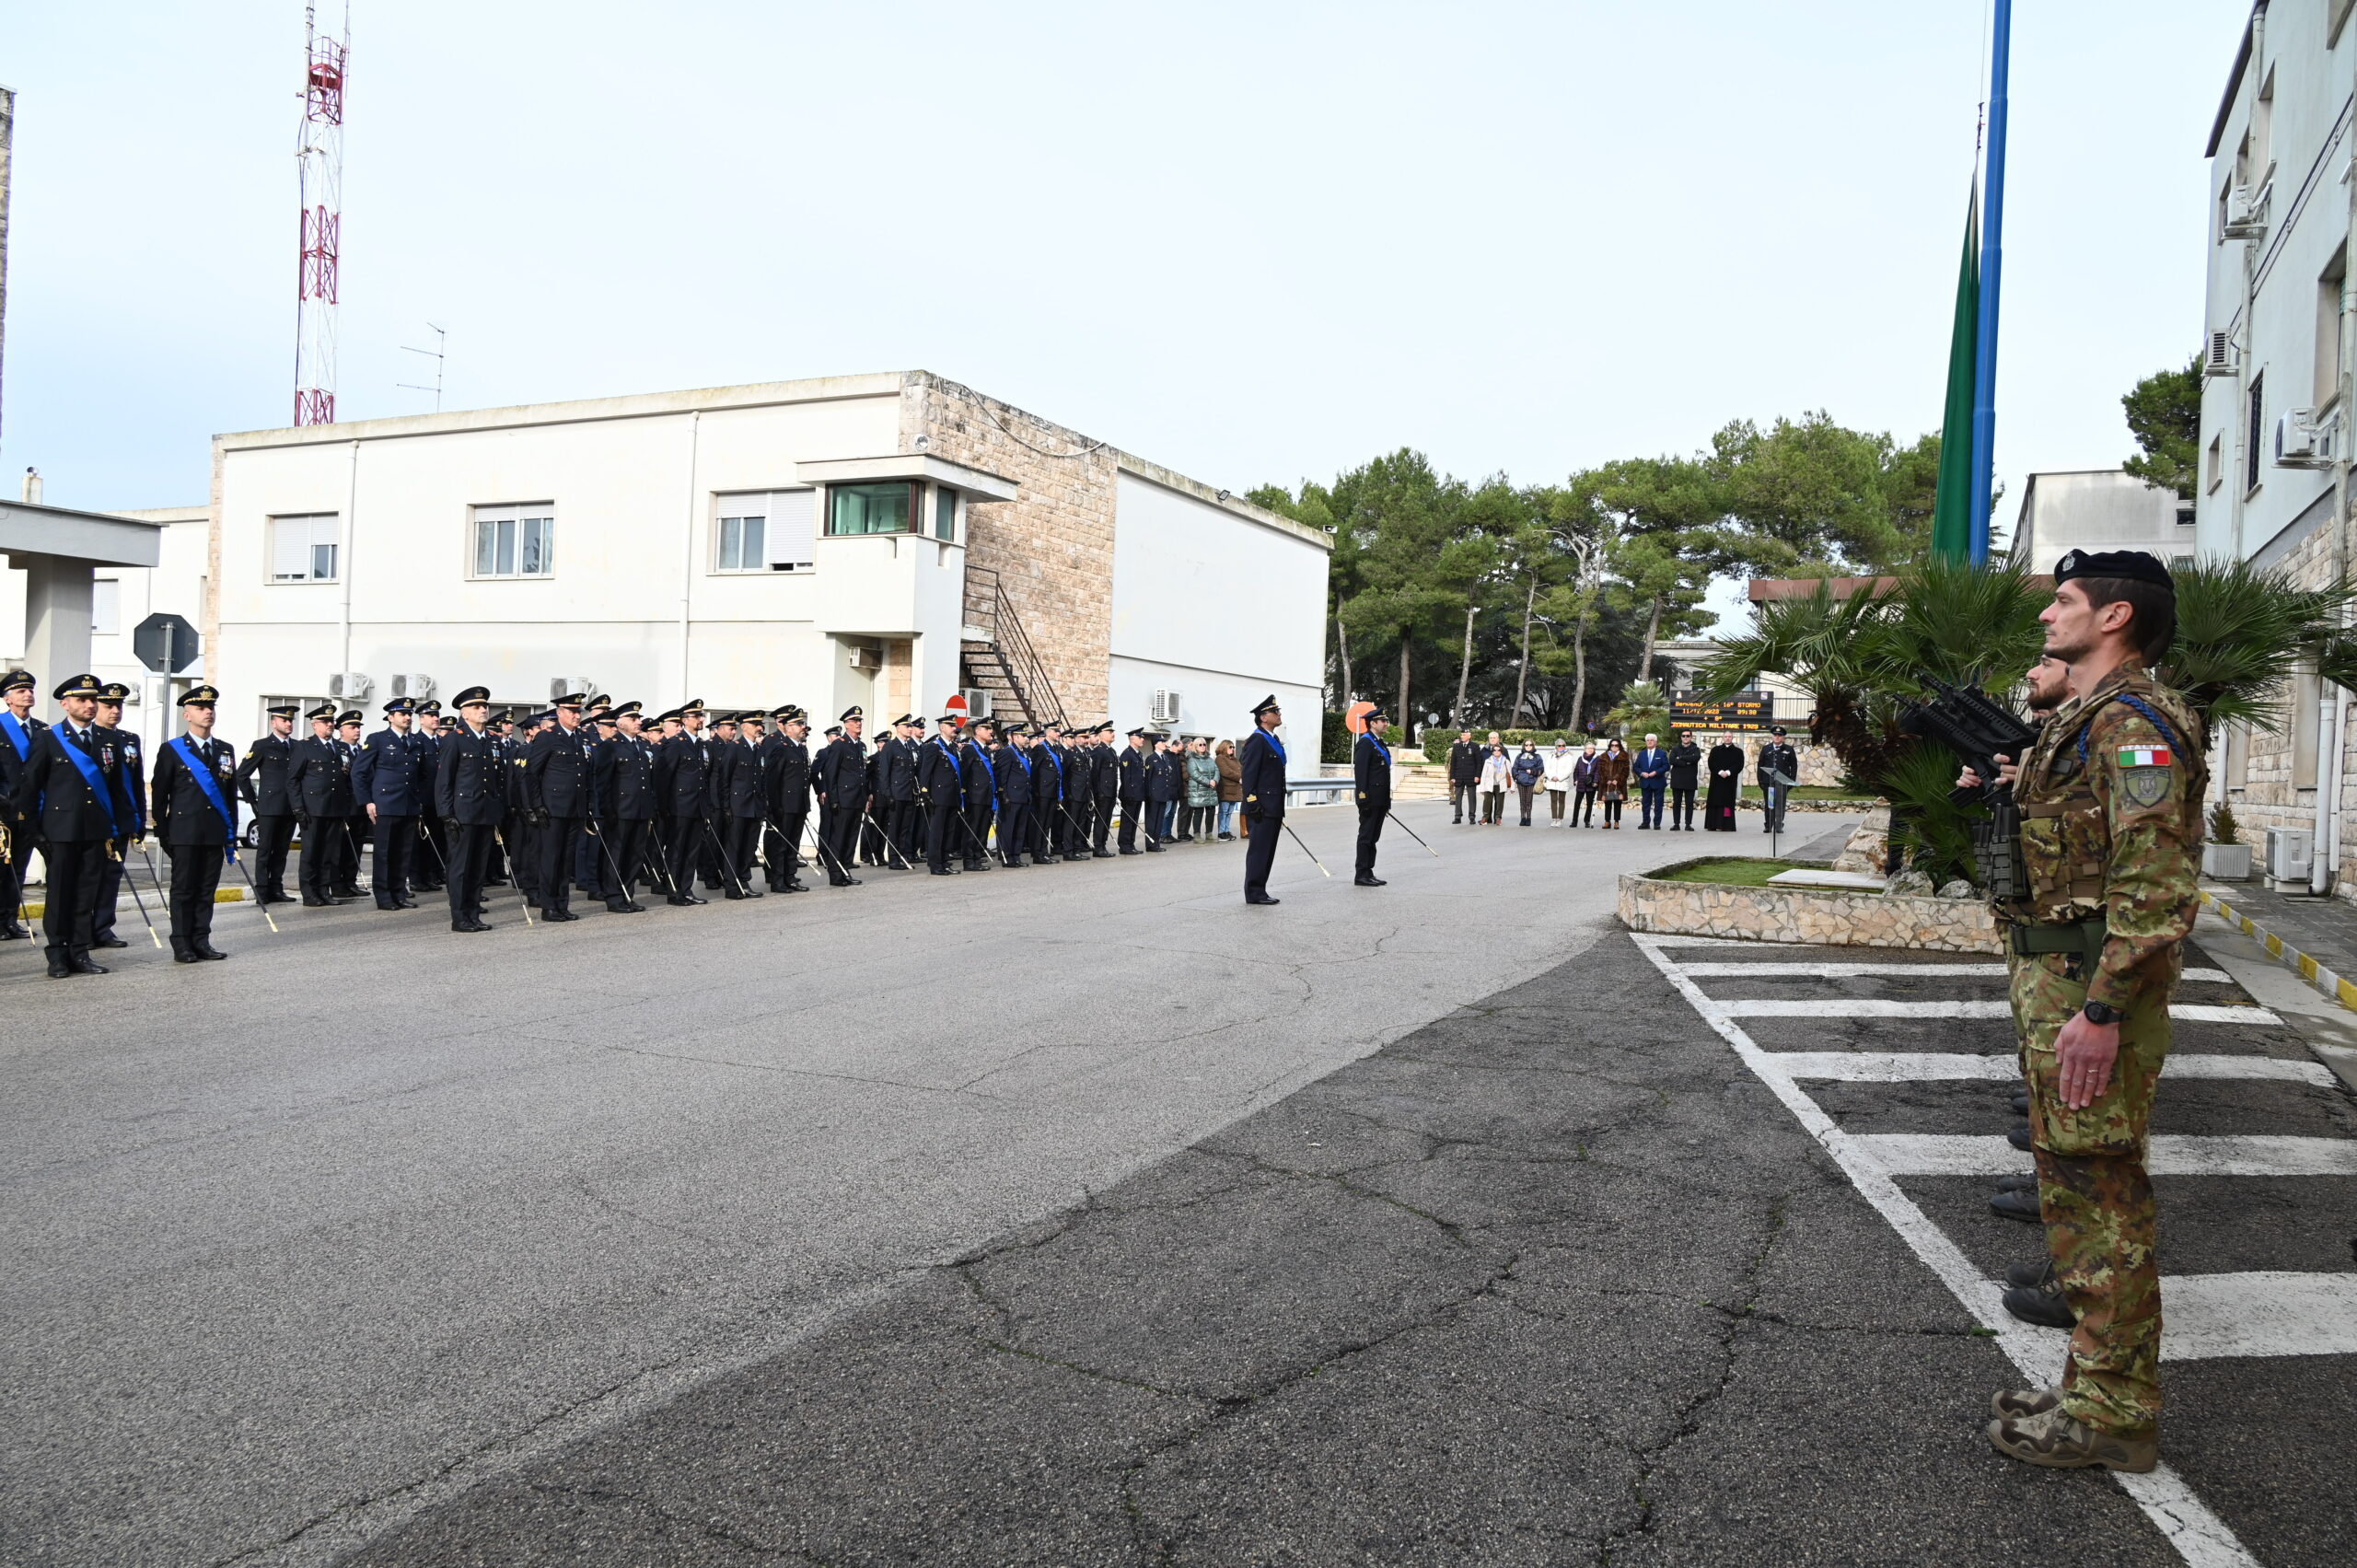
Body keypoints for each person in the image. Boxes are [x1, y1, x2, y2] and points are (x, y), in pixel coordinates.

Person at [1972, 549, 2202, 1476]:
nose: (2045, 617)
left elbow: (2155, 887)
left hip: (2087, 994)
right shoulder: (2089, 718)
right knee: (2076, 1195)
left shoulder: (2135, 723)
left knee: (2102, 1206)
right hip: (2061, 986)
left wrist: (2100, 1010)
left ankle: (2114, 1410)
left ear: (2112, 618)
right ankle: (2092, 1388)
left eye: (2061, 601)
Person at [11, 673, 134, 976]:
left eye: (94, 699)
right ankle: (57, 955)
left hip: (96, 831)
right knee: (60, 894)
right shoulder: (48, 738)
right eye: (83, 700)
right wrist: (35, 832)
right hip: (61, 832)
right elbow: (30, 788)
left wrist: (122, 826)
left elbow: (118, 789)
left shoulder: (110, 739)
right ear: (66, 704)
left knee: (85, 893)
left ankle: (80, 953)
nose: (91, 705)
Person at [149, 684, 238, 961]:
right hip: (184, 833)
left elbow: (229, 794)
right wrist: (163, 834)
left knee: (206, 890)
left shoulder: (225, 749)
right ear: (187, 715)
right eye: (201, 708)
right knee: (184, 890)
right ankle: (182, 943)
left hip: (214, 832)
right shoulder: (173, 750)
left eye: (211, 708)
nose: (208, 712)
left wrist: (231, 832)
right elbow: (160, 794)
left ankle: (202, 940)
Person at [434, 687, 505, 932]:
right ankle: (460, 917)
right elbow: (444, 780)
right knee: (460, 868)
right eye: (476, 707)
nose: (483, 710)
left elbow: (495, 780)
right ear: (464, 713)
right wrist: (446, 813)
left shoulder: (490, 740)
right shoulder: (455, 739)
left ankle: (474, 914)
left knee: (478, 868)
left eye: (484, 706)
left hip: (485, 813)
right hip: (462, 813)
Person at [353, 698, 428, 910]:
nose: (407, 717)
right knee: (384, 853)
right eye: (402, 714)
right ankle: (383, 895)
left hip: (409, 805)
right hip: (385, 804)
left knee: (403, 852)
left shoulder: (416, 742)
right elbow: (359, 772)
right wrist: (367, 801)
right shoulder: (377, 739)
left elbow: (421, 775)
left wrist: (418, 799)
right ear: (390, 717)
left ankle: (398, 892)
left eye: (409, 714)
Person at [525, 693, 594, 920]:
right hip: (553, 808)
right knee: (551, 858)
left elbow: (585, 776)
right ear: (559, 713)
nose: (577, 716)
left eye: (578, 712)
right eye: (572, 712)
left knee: (566, 860)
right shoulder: (547, 737)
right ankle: (549, 906)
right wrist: (537, 806)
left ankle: (562, 904)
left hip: (574, 809)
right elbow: (532, 774)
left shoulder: (580, 739)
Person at [87, 681, 143, 950]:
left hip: (121, 818)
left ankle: (103, 927)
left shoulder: (130, 739)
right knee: (90, 876)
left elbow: (136, 780)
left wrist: (140, 819)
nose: (115, 711)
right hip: (95, 819)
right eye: (109, 705)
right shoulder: (89, 737)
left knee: (112, 876)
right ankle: (83, 929)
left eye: (119, 706)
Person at [287, 703, 354, 905]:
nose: (330, 725)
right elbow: (293, 780)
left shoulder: (341, 747)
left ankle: (324, 890)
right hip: (312, 809)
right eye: (325, 722)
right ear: (314, 725)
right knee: (311, 853)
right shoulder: (304, 746)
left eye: (332, 721)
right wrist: (298, 808)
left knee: (329, 853)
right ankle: (309, 893)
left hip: (335, 809)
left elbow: (346, 778)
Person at [235, 703, 301, 902]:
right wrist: (252, 800)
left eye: (291, 720)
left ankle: (277, 888)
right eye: (284, 720)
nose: (289, 723)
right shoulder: (262, 745)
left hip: (290, 806)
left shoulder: (297, 747)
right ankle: (262, 890)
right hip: (269, 806)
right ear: (274, 723)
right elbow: (242, 774)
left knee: (281, 850)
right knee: (265, 850)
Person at [654, 699, 717, 901]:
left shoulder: (699, 744)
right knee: (677, 849)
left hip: (697, 806)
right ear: (684, 720)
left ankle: (686, 890)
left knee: (691, 850)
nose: (701, 719)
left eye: (702, 716)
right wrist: (665, 808)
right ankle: (674, 891)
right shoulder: (675, 744)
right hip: (679, 807)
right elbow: (663, 778)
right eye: (697, 716)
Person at [0, 668, 47, 940]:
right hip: (4, 811)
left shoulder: (41, 730)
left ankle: (10, 918)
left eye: (30, 690)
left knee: (19, 867)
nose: (27, 695)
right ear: (7, 698)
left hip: (30, 812)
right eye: (21, 691)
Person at [1238, 695, 1288, 904]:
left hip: (1273, 805)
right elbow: (1249, 775)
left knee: (1268, 851)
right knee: (1259, 851)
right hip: (1261, 807)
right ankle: (1254, 891)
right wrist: (1252, 802)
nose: (1279, 715)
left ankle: (1261, 889)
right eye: (1275, 712)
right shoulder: (1257, 740)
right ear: (1264, 717)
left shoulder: (1273, 739)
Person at [812, 706, 869, 886]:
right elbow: (830, 774)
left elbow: (862, 773)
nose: (858, 724)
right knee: (839, 838)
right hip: (843, 800)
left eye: (860, 721)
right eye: (854, 721)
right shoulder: (840, 744)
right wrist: (833, 799)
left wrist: (866, 796)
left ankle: (846, 870)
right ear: (846, 724)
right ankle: (836, 874)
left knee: (851, 838)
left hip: (857, 799)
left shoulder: (860, 745)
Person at [918, 711, 965, 875]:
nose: (954, 728)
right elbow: (925, 772)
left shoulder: (952, 747)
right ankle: (936, 863)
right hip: (939, 796)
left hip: (952, 795)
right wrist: (925, 792)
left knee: (949, 831)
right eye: (951, 726)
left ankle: (945, 860)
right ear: (942, 727)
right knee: (937, 831)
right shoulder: (933, 747)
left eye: (955, 726)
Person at [1351, 702, 1392, 886]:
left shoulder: (1379, 742)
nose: (1385, 723)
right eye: (1382, 720)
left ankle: (1369, 870)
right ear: (1372, 723)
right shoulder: (1365, 743)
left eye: (1385, 720)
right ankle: (1361, 873)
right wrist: (1363, 798)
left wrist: (1386, 800)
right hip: (1370, 799)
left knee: (1374, 837)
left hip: (1380, 799)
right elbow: (1361, 774)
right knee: (1366, 836)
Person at [961, 717, 1002, 870]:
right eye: (987, 729)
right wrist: (965, 795)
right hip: (975, 796)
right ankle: (969, 860)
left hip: (986, 795)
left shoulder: (984, 749)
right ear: (977, 731)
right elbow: (964, 774)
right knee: (973, 828)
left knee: (982, 829)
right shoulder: (969, 749)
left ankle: (977, 857)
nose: (990, 732)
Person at [1758, 726, 1800, 836]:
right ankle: (1768, 825)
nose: (1777, 737)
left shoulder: (1789, 749)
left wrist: (1791, 781)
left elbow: (1794, 766)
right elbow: (1760, 765)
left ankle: (1779, 825)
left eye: (1779, 735)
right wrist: (1760, 781)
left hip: (1782, 782)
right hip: (1769, 782)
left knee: (1780, 804)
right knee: (1769, 804)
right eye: (1775, 735)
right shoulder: (1766, 749)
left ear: (1783, 737)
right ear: (1772, 736)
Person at [1116, 726, 1150, 854]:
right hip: (1129, 794)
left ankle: (1130, 844)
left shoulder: (1138, 754)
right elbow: (1126, 777)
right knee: (1127, 820)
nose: (1143, 739)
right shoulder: (1127, 754)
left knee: (1134, 820)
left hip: (1137, 793)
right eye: (1140, 737)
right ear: (1133, 739)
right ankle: (1124, 845)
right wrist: (1128, 794)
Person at [1704, 736, 1745, 830]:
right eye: (1726, 736)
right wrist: (1720, 772)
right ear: (1723, 738)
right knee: (1714, 801)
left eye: (1729, 737)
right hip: (1716, 780)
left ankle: (1726, 825)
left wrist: (1729, 772)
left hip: (1730, 781)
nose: (1727, 738)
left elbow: (1739, 764)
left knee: (1727, 802)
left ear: (1732, 738)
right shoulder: (1715, 750)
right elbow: (1711, 763)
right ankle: (1713, 825)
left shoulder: (1738, 752)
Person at [1185, 737, 1219, 842]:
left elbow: (1217, 771)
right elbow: (1194, 774)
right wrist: (1208, 782)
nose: (1203, 746)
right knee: (1198, 813)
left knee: (1211, 812)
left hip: (1211, 790)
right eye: (1200, 744)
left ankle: (1209, 834)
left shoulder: (1210, 759)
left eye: (1204, 744)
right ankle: (1197, 835)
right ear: (1195, 746)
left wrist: (1215, 780)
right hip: (1199, 790)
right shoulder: (1192, 759)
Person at [1632, 732, 1669, 830]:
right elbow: (1636, 767)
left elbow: (1666, 766)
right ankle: (1645, 823)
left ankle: (1657, 823)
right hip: (1645, 782)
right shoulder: (1642, 754)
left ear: (1656, 742)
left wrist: (1656, 772)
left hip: (1658, 782)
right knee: (1645, 804)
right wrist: (1641, 773)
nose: (1649, 742)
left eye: (1651, 740)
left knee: (1658, 804)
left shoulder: (1661, 753)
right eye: (1648, 740)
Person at [1446, 728, 1481, 824]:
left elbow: (1479, 763)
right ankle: (1457, 816)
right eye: (1462, 734)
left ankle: (1472, 817)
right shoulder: (1456, 746)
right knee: (1458, 797)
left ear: (1469, 736)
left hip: (1471, 776)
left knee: (1472, 798)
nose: (1462, 736)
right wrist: (1452, 776)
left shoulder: (1475, 746)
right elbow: (1453, 763)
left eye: (1465, 734)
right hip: (1459, 776)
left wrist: (1477, 775)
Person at [1668, 732, 1702, 830]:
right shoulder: (1675, 749)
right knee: (1677, 803)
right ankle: (1676, 824)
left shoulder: (1695, 749)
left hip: (1690, 780)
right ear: (1681, 737)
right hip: (1677, 780)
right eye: (1683, 736)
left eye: (1688, 736)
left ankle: (1688, 824)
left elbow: (1695, 758)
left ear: (1691, 737)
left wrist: (1681, 757)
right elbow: (1672, 760)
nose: (1685, 737)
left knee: (1689, 803)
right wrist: (1687, 762)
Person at [1596, 738, 1631, 829]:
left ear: (1619, 746)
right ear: (1610, 746)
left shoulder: (1624, 756)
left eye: (1616, 745)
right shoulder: (1603, 756)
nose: (1614, 747)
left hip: (1618, 784)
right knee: (1607, 803)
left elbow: (1626, 771)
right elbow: (1600, 770)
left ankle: (1616, 822)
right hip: (1606, 783)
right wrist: (1606, 779)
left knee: (1617, 803)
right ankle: (1607, 821)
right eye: (1612, 745)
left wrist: (1617, 780)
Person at [1541, 737, 1577, 825]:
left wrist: (1559, 777)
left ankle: (1560, 819)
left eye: (1563, 745)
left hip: (1562, 781)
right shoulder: (1551, 755)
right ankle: (1554, 819)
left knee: (1561, 800)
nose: (1561, 747)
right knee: (1553, 800)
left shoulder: (1569, 756)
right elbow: (1547, 767)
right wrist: (1551, 776)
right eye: (1559, 745)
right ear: (1556, 746)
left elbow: (1569, 769)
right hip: (1552, 780)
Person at [1509, 739, 1545, 826]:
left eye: (1530, 744)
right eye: (1526, 745)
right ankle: (1522, 818)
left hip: (1531, 781)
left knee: (1529, 801)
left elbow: (1541, 769)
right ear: (1523, 746)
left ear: (1533, 745)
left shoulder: (1537, 756)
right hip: (1521, 781)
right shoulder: (1519, 756)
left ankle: (1528, 818)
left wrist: (1533, 771)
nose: (1528, 746)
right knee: (1522, 801)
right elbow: (1514, 768)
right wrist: (1517, 777)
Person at [1477, 739, 1510, 825]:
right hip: (1489, 784)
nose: (1496, 751)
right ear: (1492, 752)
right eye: (1494, 750)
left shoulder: (1506, 761)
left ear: (1501, 751)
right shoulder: (1488, 761)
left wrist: (1512, 786)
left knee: (1499, 803)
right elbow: (1484, 775)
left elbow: (1511, 774)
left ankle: (1498, 818)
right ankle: (1485, 818)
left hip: (1500, 784)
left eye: (1498, 750)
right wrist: (1482, 787)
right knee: (1487, 802)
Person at [1214, 738, 1242, 839]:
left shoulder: (1235, 759)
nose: (1233, 749)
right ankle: (1221, 832)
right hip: (1225, 789)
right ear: (1224, 748)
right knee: (1224, 811)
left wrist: (1242, 777)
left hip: (1235, 790)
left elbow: (1241, 770)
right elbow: (1226, 772)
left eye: (1233, 747)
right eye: (1230, 747)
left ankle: (1226, 830)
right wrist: (1239, 777)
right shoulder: (1220, 758)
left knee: (1229, 812)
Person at [1570, 740, 1600, 827]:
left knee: (1589, 804)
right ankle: (1574, 821)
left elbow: (1598, 772)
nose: (1590, 750)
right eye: (1588, 748)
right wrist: (1576, 780)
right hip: (1581, 784)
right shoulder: (1580, 758)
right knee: (1577, 804)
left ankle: (1587, 821)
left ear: (1594, 749)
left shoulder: (1597, 759)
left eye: (1592, 748)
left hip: (1591, 784)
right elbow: (1576, 771)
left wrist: (1595, 781)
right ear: (1585, 749)